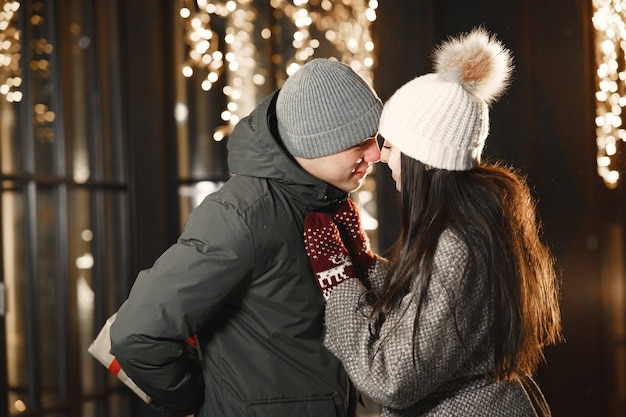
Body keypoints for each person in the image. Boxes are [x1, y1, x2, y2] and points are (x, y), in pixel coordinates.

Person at [303, 28, 563, 416]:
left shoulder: (458, 244)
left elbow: (389, 378)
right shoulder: (472, 223)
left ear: (424, 156)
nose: (381, 157)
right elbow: (425, 310)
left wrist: (339, 279)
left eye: (389, 145)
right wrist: (364, 264)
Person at [109, 58, 382, 416]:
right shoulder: (242, 215)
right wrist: (200, 400)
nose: (375, 153)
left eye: (375, 138)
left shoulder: (326, 202)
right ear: (313, 145)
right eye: (358, 143)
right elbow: (138, 334)